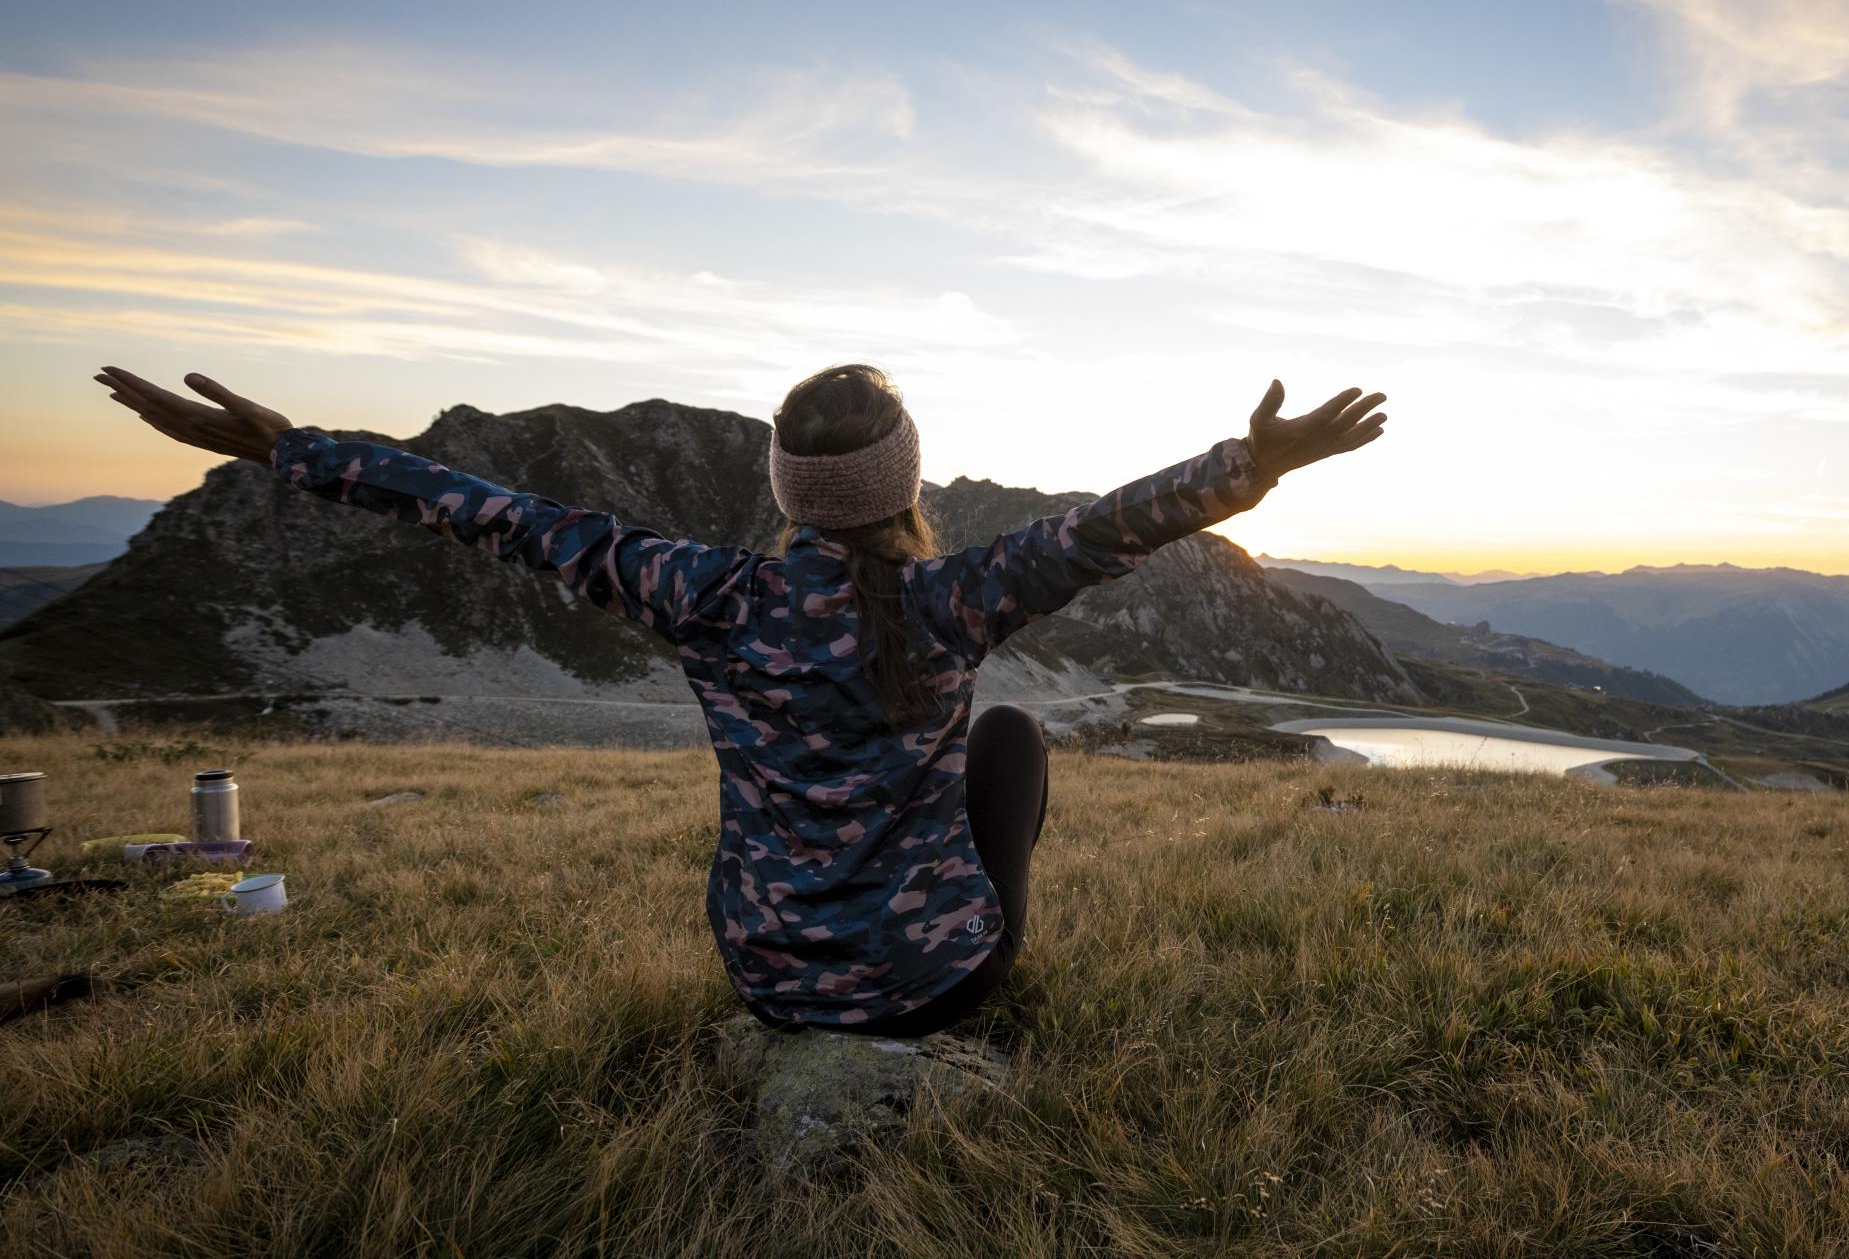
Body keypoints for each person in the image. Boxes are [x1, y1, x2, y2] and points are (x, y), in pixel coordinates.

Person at [93, 363, 1386, 1035]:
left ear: (783, 492)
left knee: (992, 735)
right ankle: (963, 952)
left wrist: (288, 447)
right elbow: (1110, 530)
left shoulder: (701, 595)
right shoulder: (961, 599)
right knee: (1010, 739)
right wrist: (1251, 468)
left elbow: (483, 512)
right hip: (935, 984)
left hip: (765, 980)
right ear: (907, 486)